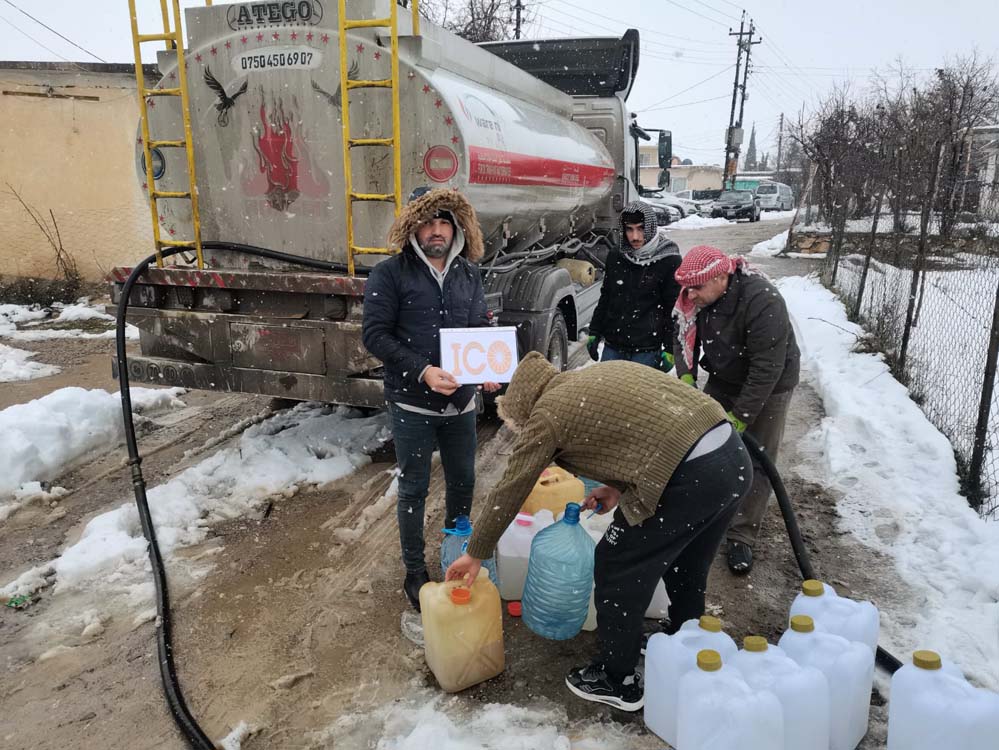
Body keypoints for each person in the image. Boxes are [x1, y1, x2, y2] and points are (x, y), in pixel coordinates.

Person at [445, 352, 752, 711]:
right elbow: (640, 434)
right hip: (731, 459)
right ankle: (687, 641)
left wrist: (476, 551)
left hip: (690, 476)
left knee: (617, 562)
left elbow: (511, 488)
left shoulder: (546, 416)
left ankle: (616, 678)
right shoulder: (589, 378)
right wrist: (617, 489)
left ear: (524, 410)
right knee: (687, 559)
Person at [362, 187, 500, 612]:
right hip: (412, 404)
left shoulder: (468, 273)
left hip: (461, 404)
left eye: (444, 223)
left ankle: (454, 553)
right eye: (428, 223)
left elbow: (478, 326)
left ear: (456, 229)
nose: (436, 231)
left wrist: (487, 366)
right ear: (413, 227)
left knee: (463, 481)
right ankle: (414, 570)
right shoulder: (390, 274)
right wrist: (422, 370)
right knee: (414, 488)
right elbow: (375, 335)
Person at [672, 244, 800, 575]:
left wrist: (741, 417)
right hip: (725, 376)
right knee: (706, 448)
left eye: (697, 288)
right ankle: (706, 515)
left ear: (721, 278)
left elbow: (766, 368)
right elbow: (681, 333)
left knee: (757, 457)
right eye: (687, 288)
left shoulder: (762, 300)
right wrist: (686, 374)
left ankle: (742, 535)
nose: (690, 295)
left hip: (771, 384)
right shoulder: (697, 296)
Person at [586, 201, 682, 370]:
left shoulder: (668, 259)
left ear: (650, 228)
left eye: (640, 229)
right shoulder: (617, 255)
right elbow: (607, 296)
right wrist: (595, 331)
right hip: (613, 345)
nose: (635, 237)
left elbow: (672, 308)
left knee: (639, 389)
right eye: (629, 229)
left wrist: (670, 347)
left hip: (646, 349)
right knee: (606, 388)